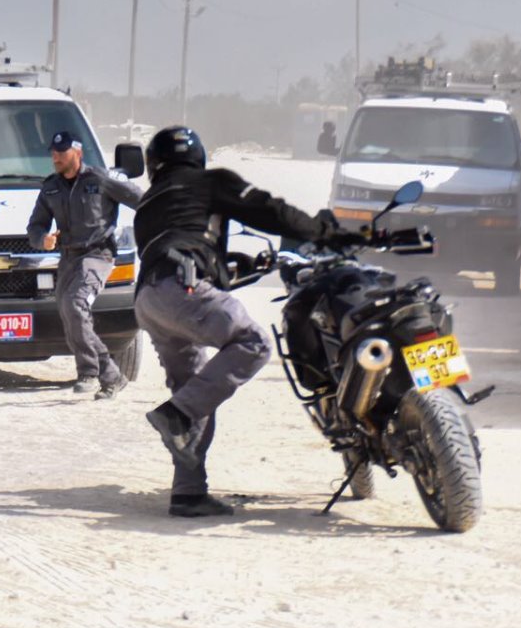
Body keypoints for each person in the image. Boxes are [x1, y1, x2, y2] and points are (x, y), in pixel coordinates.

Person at [132, 125, 356, 518]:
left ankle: (188, 493)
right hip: (181, 289)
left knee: (196, 387)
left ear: (155, 164)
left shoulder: (150, 203)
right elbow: (271, 211)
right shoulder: (211, 181)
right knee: (253, 343)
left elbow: (184, 245)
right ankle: (174, 415)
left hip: (150, 301)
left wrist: (236, 266)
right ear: (198, 158)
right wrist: (327, 233)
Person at [26, 130, 142, 399]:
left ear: (77, 153)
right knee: (71, 316)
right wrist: (42, 239)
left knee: (76, 304)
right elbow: (35, 226)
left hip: (97, 255)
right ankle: (111, 376)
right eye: (53, 153)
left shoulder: (101, 179)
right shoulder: (51, 187)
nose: (56, 157)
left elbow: (141, 200)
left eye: (61, 152)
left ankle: (89, 372)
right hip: (68, 258)